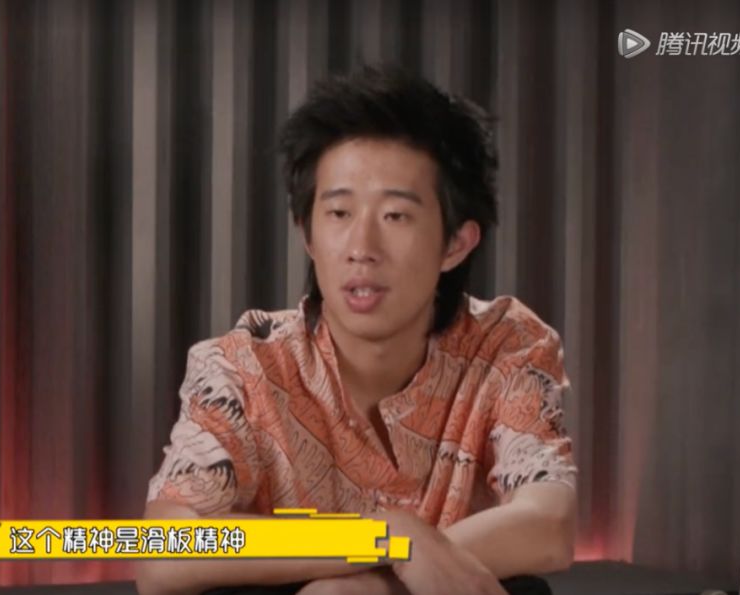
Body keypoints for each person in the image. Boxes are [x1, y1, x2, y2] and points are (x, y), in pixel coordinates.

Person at [136, 65, 577, 595]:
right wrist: (386, 539)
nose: (361, 247)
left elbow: (548, 524)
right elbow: (165, 550)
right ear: (308, 234)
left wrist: (368, 588)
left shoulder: (505, 345)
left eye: (395, 216)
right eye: (339, 213)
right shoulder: (244, 366)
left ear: (455, 244)